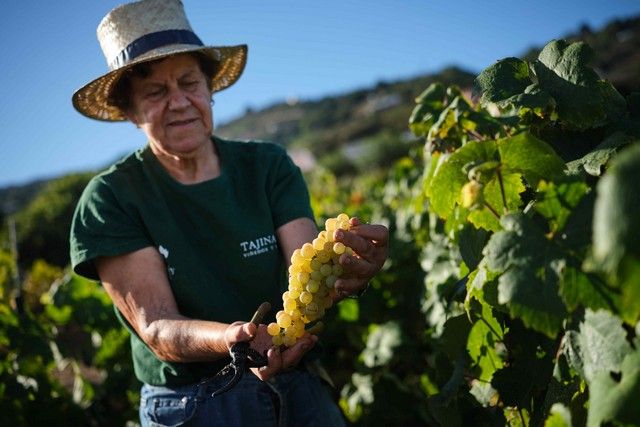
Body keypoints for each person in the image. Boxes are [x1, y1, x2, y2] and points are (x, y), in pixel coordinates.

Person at [69, 0, 389, 426]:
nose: (179, 102)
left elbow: (307, 270)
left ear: (210, 88)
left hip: (294, 381)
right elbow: (159, 329)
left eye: (189, 83)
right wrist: (231, 340)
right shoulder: (110, 198)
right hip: (191, 405)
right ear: (130, 112)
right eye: (156, 92)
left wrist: (348, 271)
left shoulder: (267, 166)